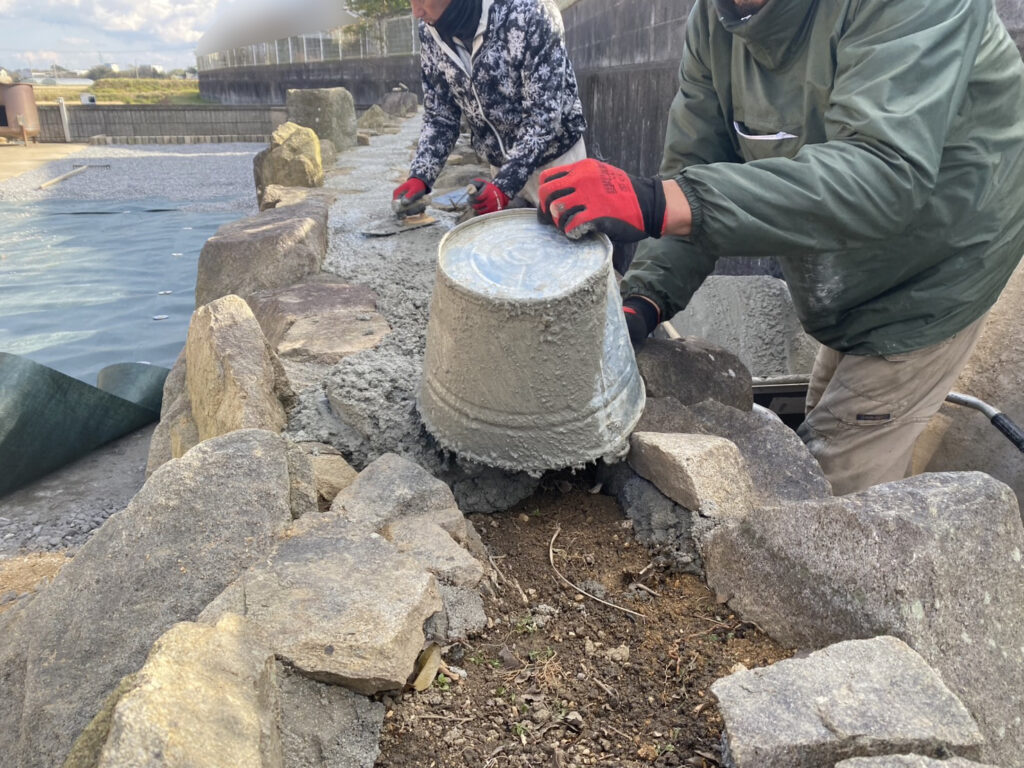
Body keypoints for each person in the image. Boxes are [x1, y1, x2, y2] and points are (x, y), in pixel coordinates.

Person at [537, 0, 1024, 495]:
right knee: (818, 429)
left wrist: (659, 201)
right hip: (848, 264)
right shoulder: (715, 20)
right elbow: (693, 172)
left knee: (829, 496)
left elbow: (883, 174)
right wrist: (643, 299)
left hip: (937, 266)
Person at [392, 0, 587, 218]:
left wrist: (504, 186)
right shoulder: (430, 33)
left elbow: (543, 117)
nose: (416, 12)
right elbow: (441, 114)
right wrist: (421, 174)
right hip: (500, 168)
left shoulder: (529, 11)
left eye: (423, 0)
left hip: (557, 165)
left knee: (568, 243)